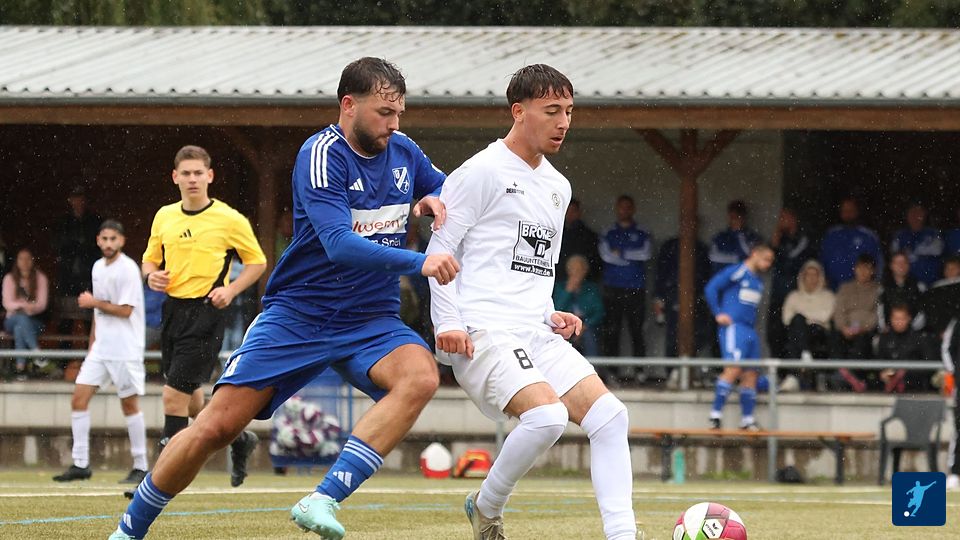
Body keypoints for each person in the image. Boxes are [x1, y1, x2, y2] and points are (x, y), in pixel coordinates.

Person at [110, 57, 459, 540]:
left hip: (370, 320)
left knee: (420, 376)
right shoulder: (321, 154)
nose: (394, 124)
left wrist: (434, 195)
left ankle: (323, 498)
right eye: (384, 113)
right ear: (348, 105)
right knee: (214, 428)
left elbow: (445, 187)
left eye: (399, 113)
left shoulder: (404, 150)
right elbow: (338, 244)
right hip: (300, 315)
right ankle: (128, 531)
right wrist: (418, 262)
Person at [427, 64, 638, 540]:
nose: (563, 122)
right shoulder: (480, 172)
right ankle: (488, 506)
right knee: (547, 417)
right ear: (518, 112)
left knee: (611, 417)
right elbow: (439, 253)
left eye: (569, 112)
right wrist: (447, 324)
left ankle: (623, 535)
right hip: (481, 330)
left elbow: (536, 266)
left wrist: (549, 312)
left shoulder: (558, 187)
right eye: (551, 111)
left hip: (533, 332)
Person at [139, 144, 267, 491]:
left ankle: (158, 480)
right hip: (172, 311)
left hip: (207, 313)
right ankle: (239, 439)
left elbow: (257, 262)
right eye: (186, 173)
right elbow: (149, 259)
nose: (192, 179)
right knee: (191, 398)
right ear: (175, 177)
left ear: (210, 176)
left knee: (172, 397)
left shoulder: (229, 218)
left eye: (199, 173)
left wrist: (231, 290)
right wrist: (150, 276)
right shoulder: (164, 216)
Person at [52, 220, 148, 484]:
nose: (108, 243)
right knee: (78, 399)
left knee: (129, 405)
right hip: (101, 349)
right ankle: (81, 464)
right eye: (104, 239)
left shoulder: (128, 269)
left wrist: (94, 302)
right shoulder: (97, 267)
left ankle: (140, 466)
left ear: (122, 241)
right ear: (97, 240)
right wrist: (92, 343)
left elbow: (126, 310)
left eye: (113, 239)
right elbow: (98, 312)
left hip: (125, 348)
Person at [704, 243, 775, 430]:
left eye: (770, 261)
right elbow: (711, 287)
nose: (768, 264)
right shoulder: (737, 271)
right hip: (734, 328)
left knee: (751, 373)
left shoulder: (758, 281)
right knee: (733, 368)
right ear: (754, 254)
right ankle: (715, 415)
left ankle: (747, 419)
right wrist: (718, 312)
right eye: (766, 259)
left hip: (750, 329)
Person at [598, 194, 651, 366]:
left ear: (633, 209)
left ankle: (639, 371)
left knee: (637, 329)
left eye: (628, 207)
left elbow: (646, 254)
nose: (625, 210)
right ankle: (612, 371)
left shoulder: (642, 231)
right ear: (616, 208)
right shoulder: (608, 231)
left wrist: (620, 253)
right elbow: (606, 256)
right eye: (622, 207)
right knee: (612, 329)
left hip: (636, 287)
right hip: (612, 286)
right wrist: (630, 256)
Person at [53, 187, 101, 341]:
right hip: (68, 276)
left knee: (90, 319)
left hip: (88, 276)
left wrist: (83, 248)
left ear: (85, 200)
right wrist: (74, 247)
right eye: (74, 198)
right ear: (70, 200)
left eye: (80, 198)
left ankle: (90, 351)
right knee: (65, 321)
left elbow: (96, 247)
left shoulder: (94, 221)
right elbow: (58, 245)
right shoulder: (63, 222)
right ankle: (63, 354)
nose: (78, 201)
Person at [779, 259, 835, 391]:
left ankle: (793, 375)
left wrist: (805, 318)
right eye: (808, 275)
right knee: (797, 321)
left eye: (814, 274)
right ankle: (805, 354)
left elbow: (826, 316)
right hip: (798, 332)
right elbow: (786, 319)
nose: (811, 278)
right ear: (802, 277)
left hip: (819, 333)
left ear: (820, 277)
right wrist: (808, 318)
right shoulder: (793, 296)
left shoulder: (828, 296)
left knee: (799, 324)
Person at [767, 207, 814, 359]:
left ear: (793, 219)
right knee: (774, 332)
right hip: (778, 294)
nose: (780, 221)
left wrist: (778, 250)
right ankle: (777, 366)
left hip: (796, 293)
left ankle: (795, 368)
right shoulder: (781, 238)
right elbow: (768, 259)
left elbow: (790, 258)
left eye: (784, 217)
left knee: (794, 331)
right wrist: (775, 240)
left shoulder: (802, 239)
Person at [829, 254, 881, 392]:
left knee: (862, 341)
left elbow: (877, 314)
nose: (863, 272)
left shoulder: (878, 290)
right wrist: (844, 328)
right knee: (834, 337)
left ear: (873, 271)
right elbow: (839, 311)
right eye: (860, 268)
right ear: (855, 269)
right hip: (845, 329)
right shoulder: (845, 288)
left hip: (866, 331)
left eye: (867, 268)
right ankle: (839, 372)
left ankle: (851, 376)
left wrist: (862, 328)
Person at [2, 248, 49, 380]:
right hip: (11, 320)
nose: (25, 262)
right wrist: (26, 306)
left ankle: (20, 368)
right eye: (21, 258)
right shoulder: (9, 278)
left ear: (33, 260)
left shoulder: (41, 278)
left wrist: (21, 307)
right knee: (20, 320)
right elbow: (7, 303)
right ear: (16, 261)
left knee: (20, 327)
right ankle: (37, 353)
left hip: (35, 321)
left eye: (28, 258)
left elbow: (42, 304)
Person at [819, 197, 883, 290]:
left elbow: (879, 263)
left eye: (851, 210)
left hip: (860, 290)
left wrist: (876, 285)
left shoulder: (868, 236)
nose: (848, 213)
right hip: (833, 289)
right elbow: (821, 261)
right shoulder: (831, 235)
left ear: (857, 211)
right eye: (844, 210)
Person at [554, 255, 605, 357]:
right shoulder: (560, 287)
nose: (575, 273)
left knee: (590, 336)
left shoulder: (591, 288)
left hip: (587, 325)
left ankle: (593, 365)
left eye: (579, 270)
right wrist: (568, 291)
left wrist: (585, 325)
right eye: (572, 269)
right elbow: (556, 309)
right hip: (566, 323)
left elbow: (599, 312)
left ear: (585, 271)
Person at [874, 304, 931, 393]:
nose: (899, 322)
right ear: (891, 319)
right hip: (888, 389)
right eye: (896, 319)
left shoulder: (918, 338)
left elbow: (928, 364)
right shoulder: (884, 338)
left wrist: (905, 373)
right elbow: (879, 360)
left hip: (914, 389)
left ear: (909, 318)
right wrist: (883, 373)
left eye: (902, 319)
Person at [890, 202, 943, 287]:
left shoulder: (933, 234)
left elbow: (938, 251)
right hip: (907, 285)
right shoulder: (899, 235)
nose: (915, 216)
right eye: (912, 213)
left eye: (918, 212)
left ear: (924, 214)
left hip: (932, 283)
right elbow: (895, 258)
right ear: (907, 215)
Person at [708, 200, 761, 275]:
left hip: (743, 277)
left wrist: (739, 233)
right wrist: (738, 259)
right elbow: (713, 257)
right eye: (732, 217)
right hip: (722, 276)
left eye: (737, 217)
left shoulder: (751, 237)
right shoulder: (720, 237)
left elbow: (751, 256)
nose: (734, 221)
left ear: (743, 218)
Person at [556, 198, 601, 282]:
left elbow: (595, 262)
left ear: (579, 213)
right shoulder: (556, 233)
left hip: (584, 282)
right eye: (567, 211)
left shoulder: (589, 236)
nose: (570, 214)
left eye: (573, 211)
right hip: (559, 281)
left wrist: (578, 275)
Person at [878, 252, 926, 331]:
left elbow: (923, 311)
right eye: (897, 263)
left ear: (908, 265)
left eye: (904, 262)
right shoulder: (883, 288)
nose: (901, 265)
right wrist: (886, 327)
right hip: (889, 331)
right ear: (891, 265)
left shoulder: (919, 286)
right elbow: (880, 311)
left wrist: (910, 329)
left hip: (914, 332)